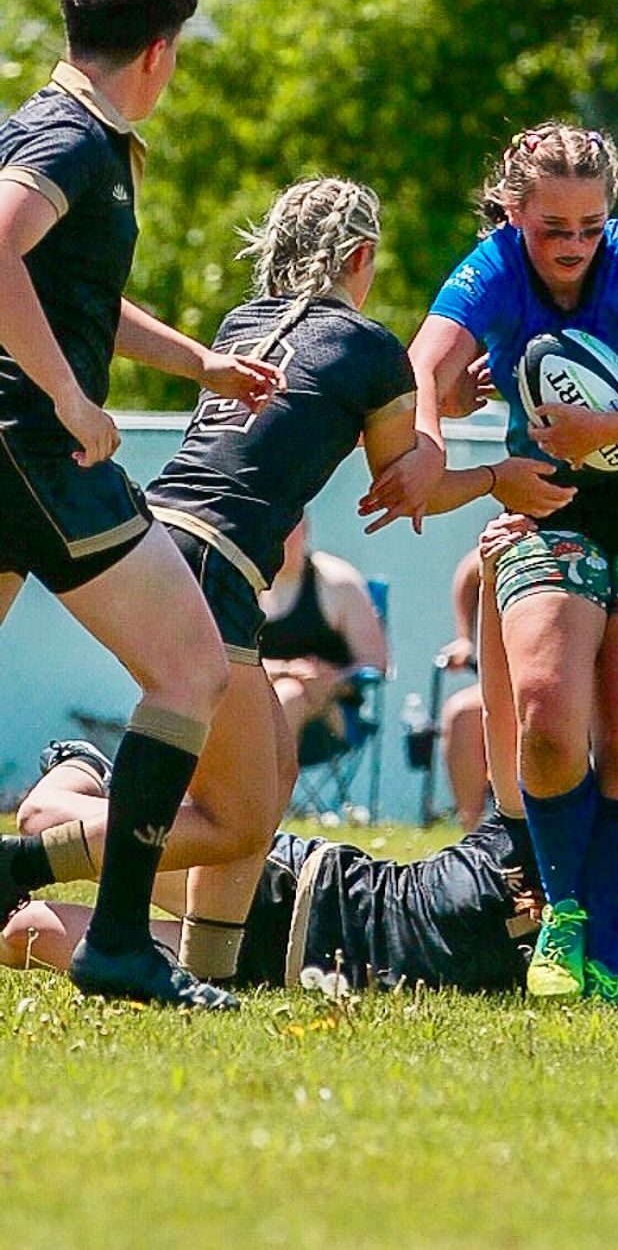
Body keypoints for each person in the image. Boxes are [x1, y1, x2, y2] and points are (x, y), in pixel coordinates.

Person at [362, 121, 618, 1004]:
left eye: (590, 226)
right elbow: (424, 361)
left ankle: (608, 964)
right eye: (552, 228)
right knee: (544, 716)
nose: (574, 247)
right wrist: (427, 443)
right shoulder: (495, 266)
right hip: (550, 498)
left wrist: (607, 430)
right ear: (513, 211)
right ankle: (565, 917)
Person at [0, 176, 419, 991]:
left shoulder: (243, 321)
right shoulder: (372, 348)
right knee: (235, 817)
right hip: (215, 565)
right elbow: (408, 480)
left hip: (165, 538)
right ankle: (28, 859)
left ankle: (208, 974)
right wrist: (490, 470)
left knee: (268, 788)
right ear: (361, 258)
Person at [3, 522, 618, 999]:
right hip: (300, 889)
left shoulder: (595, 958)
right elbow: (504, 710)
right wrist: (498, 591)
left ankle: (85, 792)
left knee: (23, 935)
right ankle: (81, 767)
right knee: (42, 816)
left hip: (280, 969)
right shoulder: (535, 833)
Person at [0, 0, 282, 1010]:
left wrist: (196, 361)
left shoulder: (65, 128)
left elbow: (67, 291)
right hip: (36, 446)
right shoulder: (71, 139)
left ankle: (103, 932)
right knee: (193, 669)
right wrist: (74, 402)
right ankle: (119, 943)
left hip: (16, 444)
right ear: (160, 54)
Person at [259, 515, 388, 762]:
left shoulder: (337, 583)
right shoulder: (238, 581)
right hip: (253, 696)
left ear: (304, 528)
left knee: (289, 695)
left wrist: (334, 680)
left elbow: (375, 663)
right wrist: (285, 670)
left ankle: (264, 799)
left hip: (328, 713)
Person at [435, 546, 490, 832]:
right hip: (513, 685)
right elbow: (472, 568)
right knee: (462, 714)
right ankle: (474, 833)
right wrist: (464, 637)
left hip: (591, 687)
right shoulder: (522, 530)